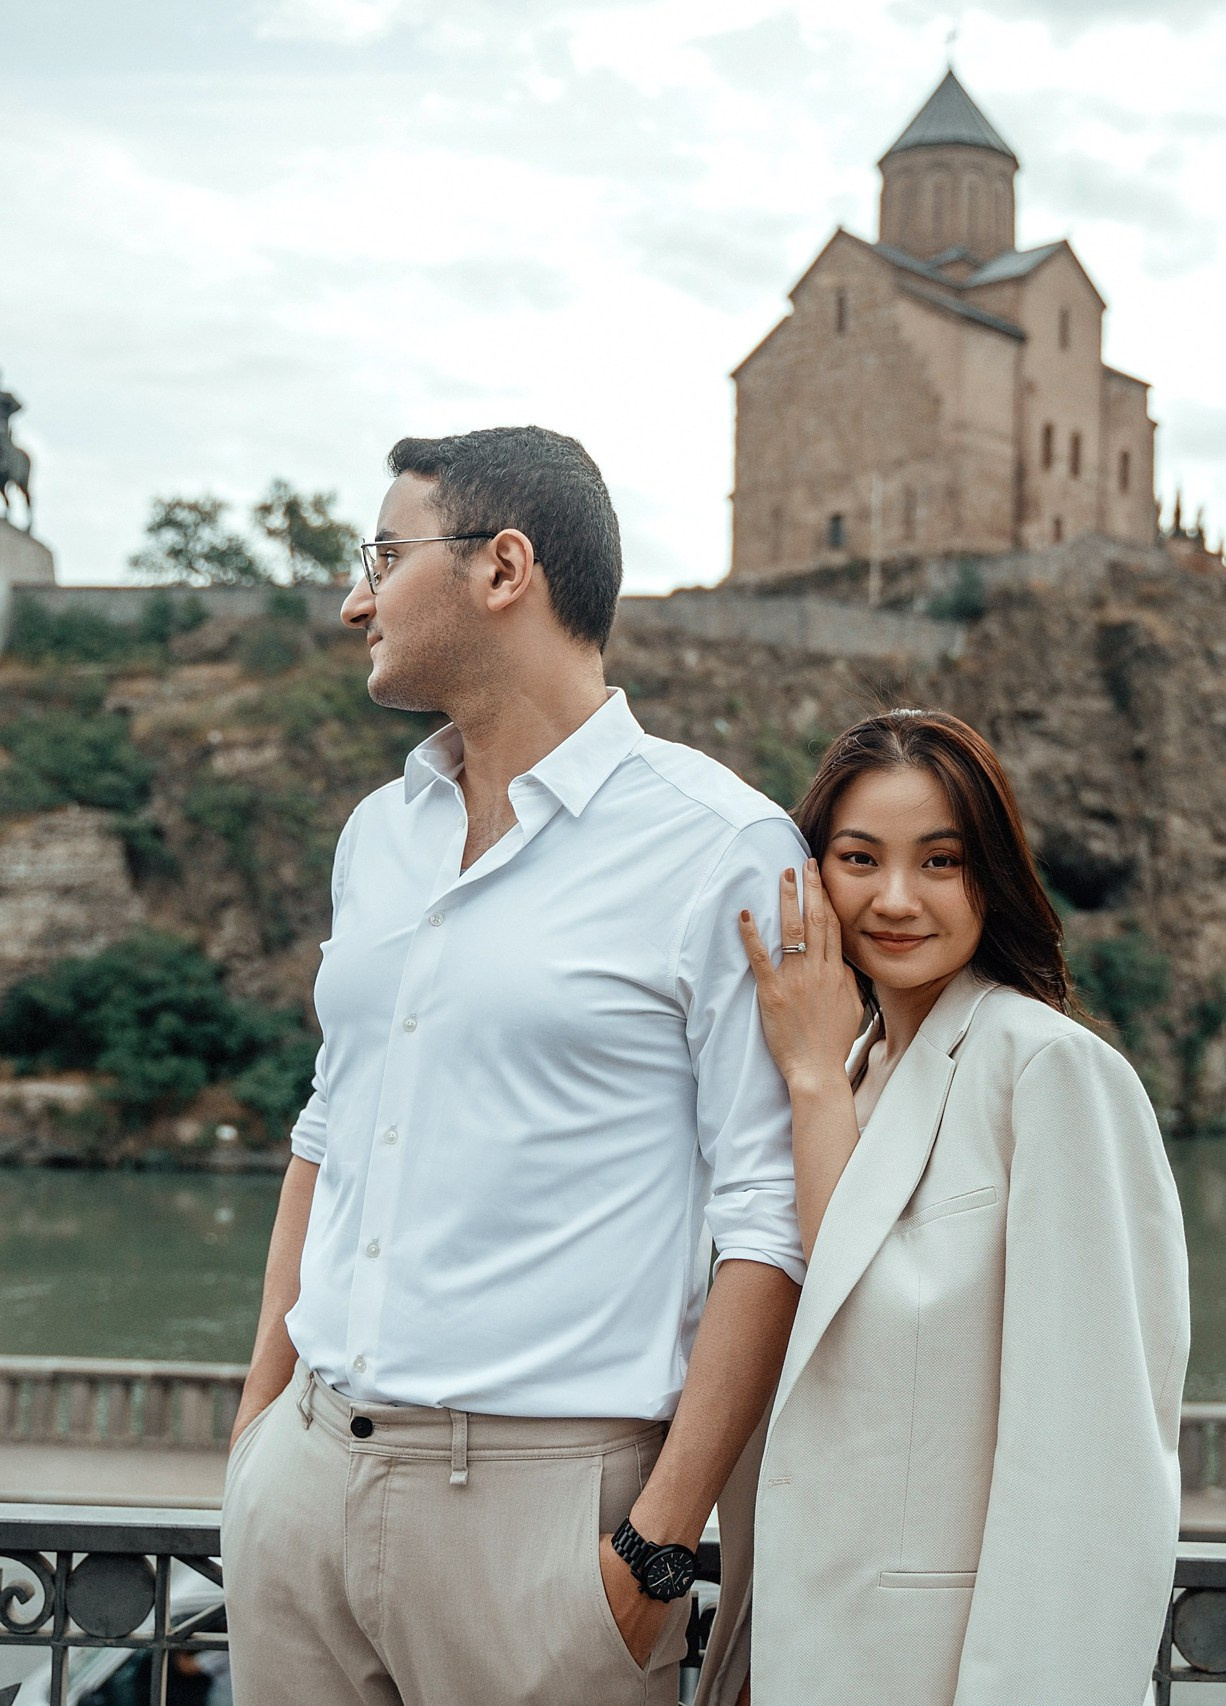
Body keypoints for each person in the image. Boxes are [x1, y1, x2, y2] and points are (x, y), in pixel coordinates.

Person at [220, 426, 806, 1706]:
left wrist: (655, 1545)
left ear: (504, 568)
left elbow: (770, 1222)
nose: (353, 596)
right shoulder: (378, 832)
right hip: (306, 1483)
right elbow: (326, 1131)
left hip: (545, 1518)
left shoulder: (721, 845)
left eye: (382, 552)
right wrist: (259, 1434)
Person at [710, 709, 1190, 1706]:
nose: (894, 898)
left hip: (938, 1673)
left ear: (994, 875)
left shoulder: (1049, 1070)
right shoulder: (842, 1076)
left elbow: (1090, 1467)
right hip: (794, 1654)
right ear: (810, 877)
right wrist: (811, 1077)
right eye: (858, 857)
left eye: (940, 859)